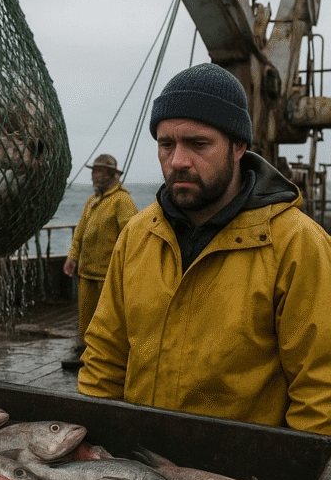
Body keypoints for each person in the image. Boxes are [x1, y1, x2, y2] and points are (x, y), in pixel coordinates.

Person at [77, 62, 331, 435]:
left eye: (198, 144)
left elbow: (320, 390)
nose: (178, 161)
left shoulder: (298, 245)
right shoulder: (137, 235)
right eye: (167, 144)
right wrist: (94, 449)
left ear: (238, 146)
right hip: (142, 470)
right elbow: (104, 358)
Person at [61, 154, 137, 370]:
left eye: (99, 171)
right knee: (85, 321)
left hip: (108, 276)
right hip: (86, 273)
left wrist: (126, 269)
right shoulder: (91, 201)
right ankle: (87, 355)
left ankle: (106, 361)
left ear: (112, 174)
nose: (94, 175)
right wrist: (72, 256)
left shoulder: (122, 200)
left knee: (108, 322)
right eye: (93, 171)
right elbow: (80, 233)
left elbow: (130, 236)